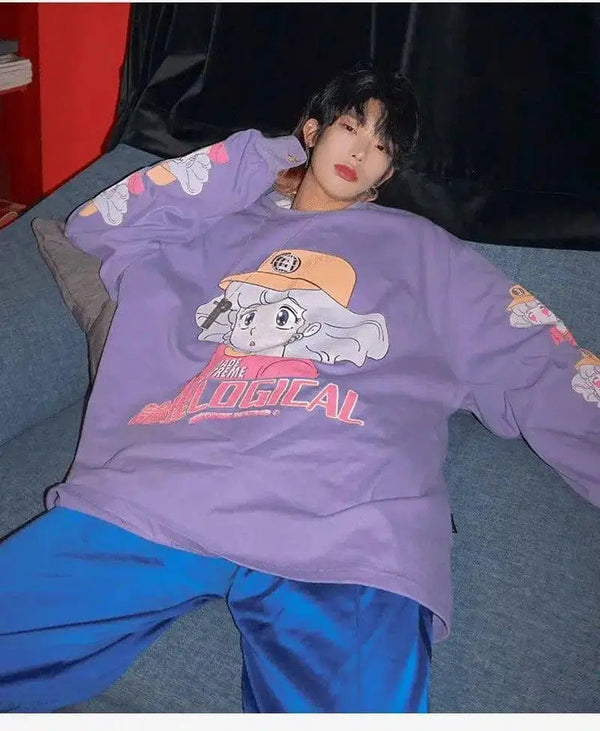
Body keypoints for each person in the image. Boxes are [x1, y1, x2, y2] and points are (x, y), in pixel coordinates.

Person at [1, 64, 598, 714]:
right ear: (313, 129)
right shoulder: (209, 225)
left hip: (348, 528)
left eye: (381, 147)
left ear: (388, 173)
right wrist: (268, 157)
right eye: (350, 127)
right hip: (157, 491)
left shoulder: (430, 254)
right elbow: (98, 223)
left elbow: (536, 358)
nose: (360, 152)